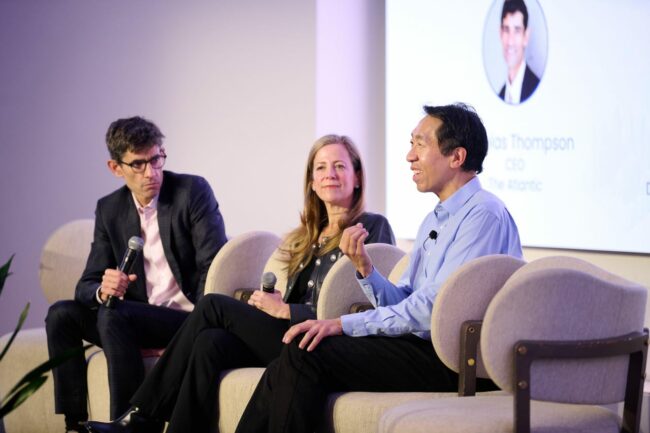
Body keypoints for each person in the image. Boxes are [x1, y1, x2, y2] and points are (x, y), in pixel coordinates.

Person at [233, 103, 523, 433]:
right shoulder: (435, 219)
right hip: (422, 346)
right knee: (297, 350)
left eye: (420, 144)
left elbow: (433, 311)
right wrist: (366, 269)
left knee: (308, 351)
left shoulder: (483, 215)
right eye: (411, 143)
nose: (409, 156)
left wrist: (343, 324)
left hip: (456, 359)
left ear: (456, 157)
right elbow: (406, 301)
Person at [84, 135, 395, 433]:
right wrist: (270, 304)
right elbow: (293, 300)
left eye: (340, 166)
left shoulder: (371, 226)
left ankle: (142, 417)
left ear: (357, 177)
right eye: (321, 167)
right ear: (312, 182)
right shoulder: (305, 236)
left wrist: (288, 310)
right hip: (289, 334)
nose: (330, 174)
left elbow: (362, 306)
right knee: (209, 342)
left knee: (212, 305)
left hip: (321, 345)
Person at [45, 116, 228, 433]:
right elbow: (86, 284)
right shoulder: (109, 209)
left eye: (156, 159)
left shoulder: (191, 192)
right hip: (134, 320)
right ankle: (74, 424)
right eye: (138, 164)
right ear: (115, 168)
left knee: (114, 314)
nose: (151, 173)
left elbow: (212, 266)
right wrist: (103, 288)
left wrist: (189, 337)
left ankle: (127, 423)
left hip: (185, 319)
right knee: (61, 315)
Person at [498, 0, 540, 104]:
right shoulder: (501, 94)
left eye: (517, 30)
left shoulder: (536, 87)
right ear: (500, 33)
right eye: (506, 29)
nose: (510, 41)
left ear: (526, 36)